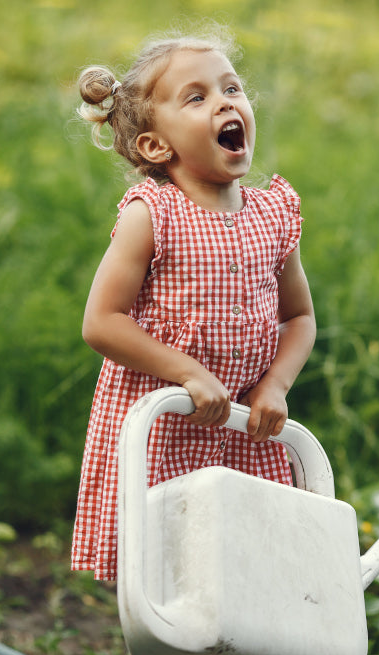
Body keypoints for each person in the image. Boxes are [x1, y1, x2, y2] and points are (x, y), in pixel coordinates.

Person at [70, 25, 315, 603]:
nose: (227, 101)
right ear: (158, 146)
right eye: (197, 97)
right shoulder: (152, 215)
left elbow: (299, 318)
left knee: (239, 583)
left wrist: (275, 386)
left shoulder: (274, 214)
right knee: (162, 586)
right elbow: (102, 321)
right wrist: (186, 371)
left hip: (245, 435)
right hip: (166, 430)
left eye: (232, 88)